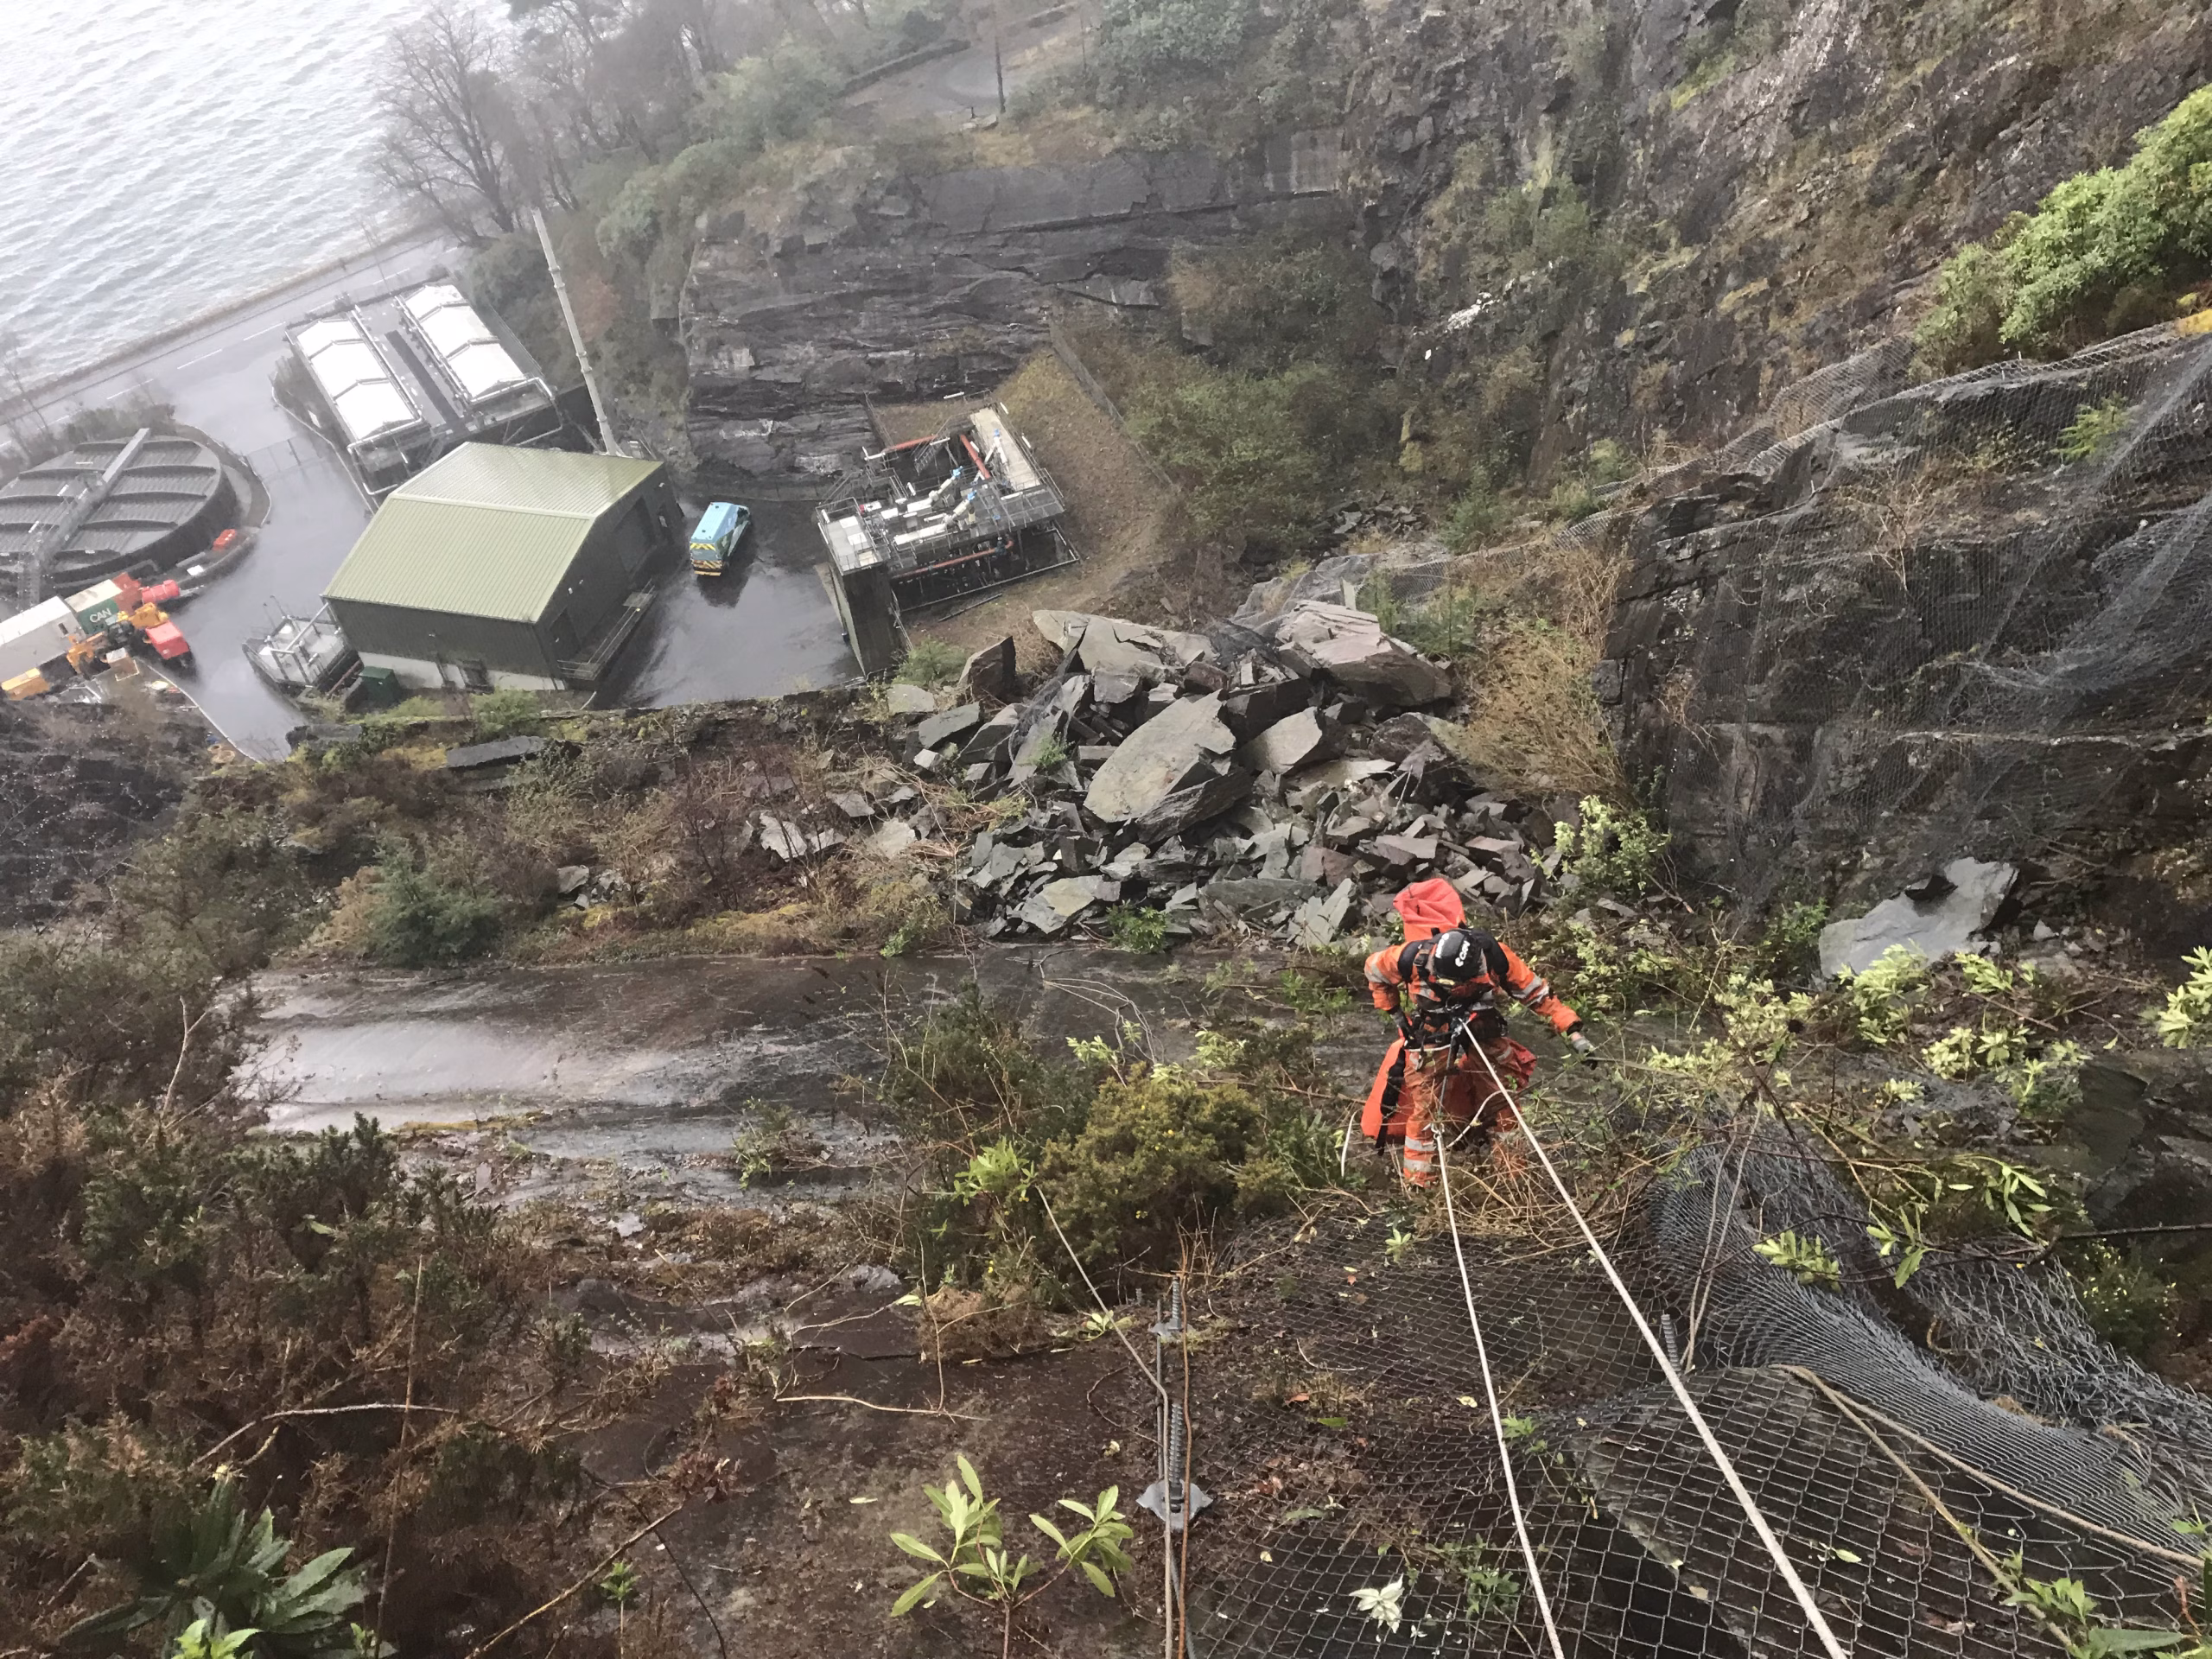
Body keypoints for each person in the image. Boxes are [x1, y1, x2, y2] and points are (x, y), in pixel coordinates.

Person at [1360, 885, 1592, 1188]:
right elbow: (1373, 971)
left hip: (1484, 1032)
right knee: (1426, 1112)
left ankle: (1513, 1180)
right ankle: (1421, 1188)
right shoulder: (1412, 957)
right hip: (1433, 1035)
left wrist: (1573, 1031)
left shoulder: (1496, 957)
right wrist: (1395, 1014)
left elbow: (1538, 995)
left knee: (1503, 1104)